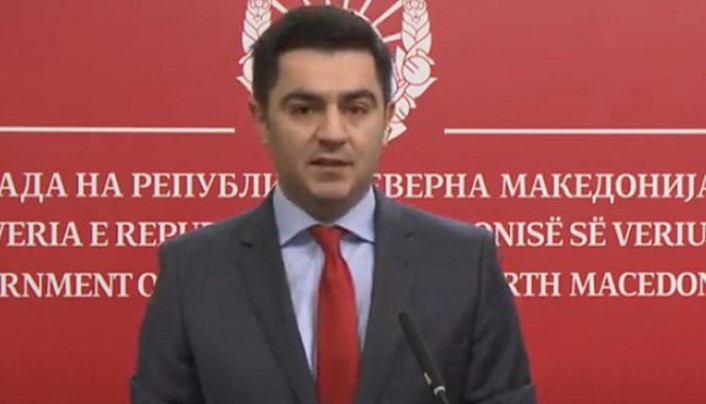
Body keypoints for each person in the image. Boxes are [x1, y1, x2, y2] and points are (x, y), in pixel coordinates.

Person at [130, 5, 536, 404]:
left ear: (387, 119)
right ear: (262, 120)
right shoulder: (192, 273)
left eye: (356, 109)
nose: (333, 133)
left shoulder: (465, 265)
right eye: (304, 109)